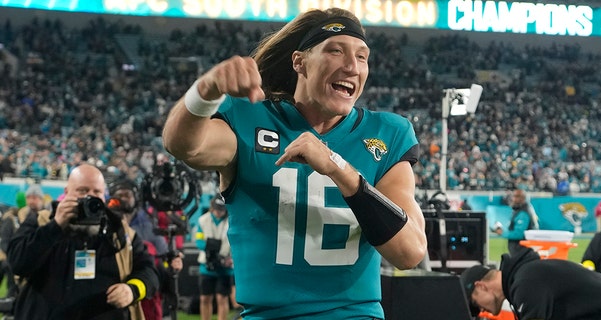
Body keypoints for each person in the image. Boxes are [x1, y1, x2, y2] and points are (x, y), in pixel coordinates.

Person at [162, 7, 427, 319]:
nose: (352, 66)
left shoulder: (387, 133)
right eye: (335, 51)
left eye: (362, 56)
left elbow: (409, 253)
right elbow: (182, 145)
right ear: (299, 62)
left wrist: (337, 168)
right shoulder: (250, 116)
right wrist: (205, 90)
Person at [7, 164, 159, 320]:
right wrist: (56, 226)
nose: (90, 197)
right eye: (83, 191)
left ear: (104, 196)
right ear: (66, 193)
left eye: (96, 192)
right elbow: (18, 263)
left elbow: (150, 272)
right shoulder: (41, 221)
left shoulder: (120, 231)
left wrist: (131, 290)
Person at [460, 248, 601, 319]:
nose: (483, 311)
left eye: (477, 304)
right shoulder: (525, 276)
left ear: (480, 286)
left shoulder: (525, 282)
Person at [109, 178, 184, 320]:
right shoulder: (104, 224)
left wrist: (174, 262)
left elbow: (164, 254)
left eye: (127, 195)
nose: (123, 199)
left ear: (135, 198)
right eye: (119, 195)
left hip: (143, 291)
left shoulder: (147, 224)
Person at [196, 195, 235, 320]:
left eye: (222, 210)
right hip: (207, 265)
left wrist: (230, 258)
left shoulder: (231, 221)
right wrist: (210, 249)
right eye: (217, 209)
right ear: (212, 208)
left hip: (225, 267)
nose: (219, 212)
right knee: (205, 298)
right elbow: (199, 241)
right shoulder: (203, 220)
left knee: (222, 298)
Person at [494, 189, 538, 255]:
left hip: (521, 250)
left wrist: (502, 233)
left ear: (523, 198)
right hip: (524, 250)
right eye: (513, 196)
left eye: (517, 196)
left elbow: (519, 234)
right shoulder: (525, 209)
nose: (513, 199)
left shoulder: (523, 213)